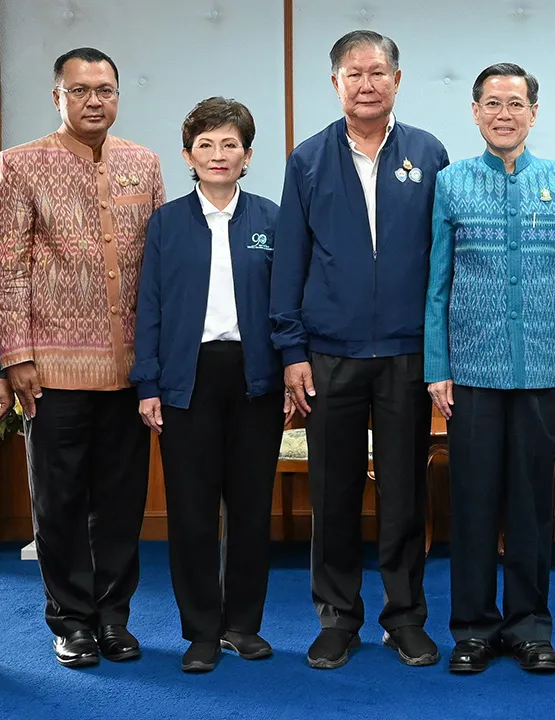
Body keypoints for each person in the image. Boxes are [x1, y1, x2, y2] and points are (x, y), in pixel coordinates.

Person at [270, 30, 449, 670]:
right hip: (329, 355)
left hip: (407, 354)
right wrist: (291, 350)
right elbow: (289, 260)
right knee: (334, 492)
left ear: (397, 80)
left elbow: (444, 258)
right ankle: (337, 618)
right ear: (336, 83)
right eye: (354, 74)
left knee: (404, 493)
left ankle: (404, 618)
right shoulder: (308, 159)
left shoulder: (428, 153)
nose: (366, 84)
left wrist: (442, 351)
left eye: (377, 73)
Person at [0, 47, 164, 669]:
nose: (94, 100)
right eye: (80, 90)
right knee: (60, 502)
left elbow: (160, 270)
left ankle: (114, 618)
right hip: (51, 370)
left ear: (118, 95)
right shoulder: (19, 165)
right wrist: (15, 355)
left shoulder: (143, 163)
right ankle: (71, 621)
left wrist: (157, 358)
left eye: (105, 90)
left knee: (121, 503)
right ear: (57, 97)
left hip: (130, 370)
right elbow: (8, 268)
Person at [425, 63, 555, 675]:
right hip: (470, 372)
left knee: (532, 506)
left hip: (544, 371)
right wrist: (437, 366)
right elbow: (437, 282)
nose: (504, 114)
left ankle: (530, 627)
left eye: (515, 103)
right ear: (475, 112)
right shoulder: (452, 183)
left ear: (533, 113)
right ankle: (472, 629)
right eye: (492, 103)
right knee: (471, 503)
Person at [131, 97, 290, 673]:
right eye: (206, 145)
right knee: (192, 510)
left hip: (256, 377)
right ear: (188, 156)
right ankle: (200, 631)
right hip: (186, 377)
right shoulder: (167, 222)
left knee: (250, 508)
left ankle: (243, 625)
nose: (218, 154)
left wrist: (290, 370)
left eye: (230, 144)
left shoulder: (272, 218)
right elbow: (149, 306)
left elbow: (286, 303)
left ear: (248, 155)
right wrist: (147, 383)